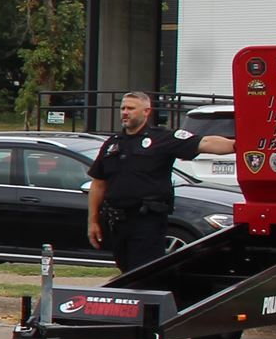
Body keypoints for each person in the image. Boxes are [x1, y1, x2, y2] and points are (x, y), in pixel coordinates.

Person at [88, 91, 237, 274]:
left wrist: (237, 145)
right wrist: (93, 220)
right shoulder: (113, 143)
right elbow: (98, 183)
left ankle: (146, 302)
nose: (125, 112)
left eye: (131, 108)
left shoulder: (162, 138)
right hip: (117, 222)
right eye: (123, 108)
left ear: (146, 111)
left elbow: (205, 142)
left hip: (146, 221)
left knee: (144, 273)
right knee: (125, 271)